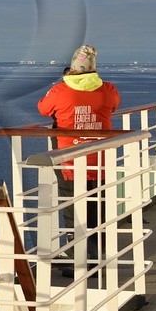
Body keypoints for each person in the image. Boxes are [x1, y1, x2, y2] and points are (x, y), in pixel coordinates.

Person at [37, 45, 121, 272]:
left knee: (72, 208)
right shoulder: (107, 89)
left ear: (72, 68)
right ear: (94, 69)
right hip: (100, 160)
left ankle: (78, 261)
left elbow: (43, 109)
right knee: (98, 208)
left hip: (69, 160)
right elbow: (114, 105)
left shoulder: (60, 90)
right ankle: (98, 258)